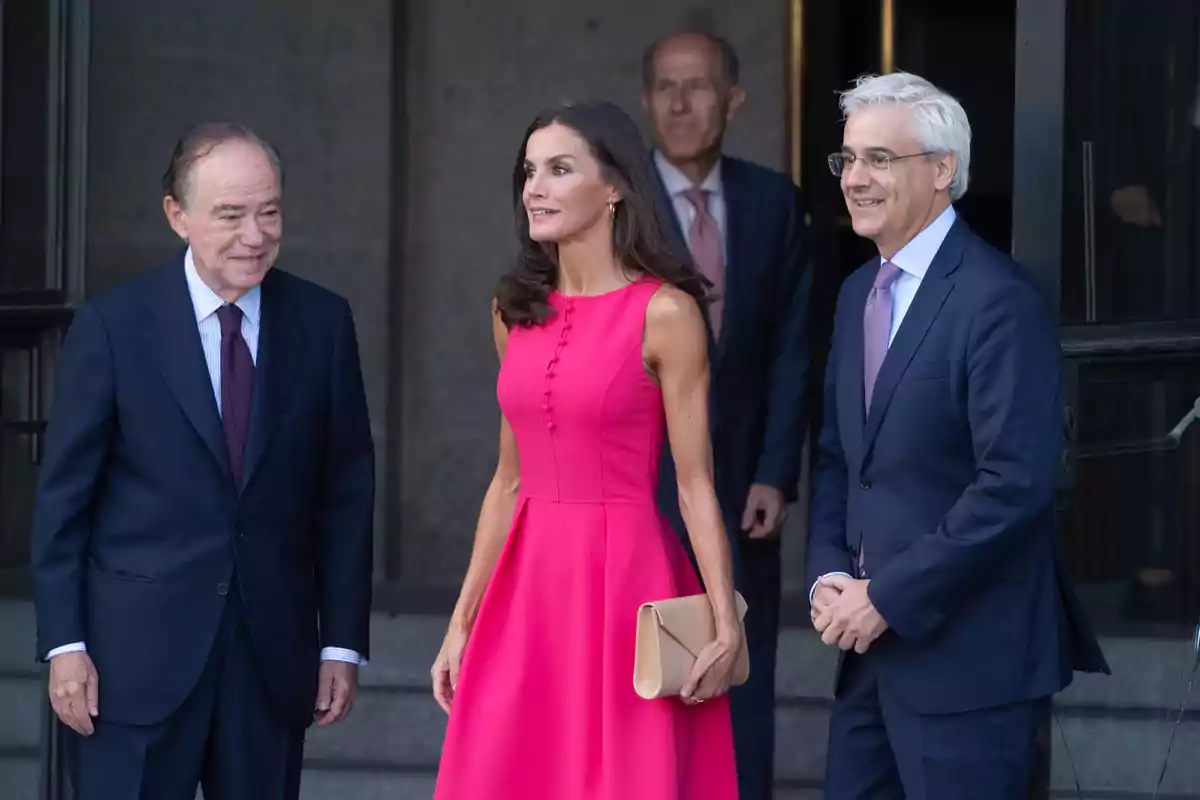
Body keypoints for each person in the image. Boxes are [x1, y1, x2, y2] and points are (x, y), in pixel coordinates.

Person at [31, 122, 375, 799]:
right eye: (231, 214)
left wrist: (339, 644)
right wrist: (64, 643)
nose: (256, 234)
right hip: (131, 659)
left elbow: (345, 494)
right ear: (177, 215)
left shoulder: (322, 322)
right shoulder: (113, 326)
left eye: (269, 211)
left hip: (269, 655)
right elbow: (63, 500)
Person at [806, 72, 1110, 798]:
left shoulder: (996, 300)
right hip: (868, 663)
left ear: (943, 170)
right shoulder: (857, 295)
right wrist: (825, 576)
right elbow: (839, 459)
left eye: (880, 159)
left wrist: (886, 595)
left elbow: (1015, 485)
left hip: (971, 668)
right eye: (848, 159)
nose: (856, 178)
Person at [430, 100, 741, 800]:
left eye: (559, 169)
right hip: (526, 587)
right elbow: (508, 481)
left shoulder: (667, 312)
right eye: (528, 171)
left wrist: (725, 623)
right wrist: (460, 622)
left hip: (626, 583)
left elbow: (695, 486)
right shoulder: (513, 309)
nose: (533, 187)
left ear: (613, 189)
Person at [641, 30, 811, 799]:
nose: (680, 103)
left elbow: (792, 347)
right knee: (642, 681)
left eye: (698, 86)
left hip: (742, 485)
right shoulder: (615, 203)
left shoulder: (773, 202)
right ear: (646, 101)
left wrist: (778, 470)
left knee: (740, 672)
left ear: (733, 100)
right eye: (664, 87)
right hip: (638, 486)